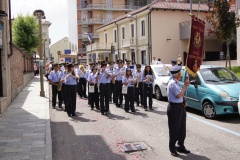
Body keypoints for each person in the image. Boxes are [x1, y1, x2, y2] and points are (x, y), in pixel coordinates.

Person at [167, 65, 190, 157]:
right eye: (180, 73)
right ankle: (172, 148)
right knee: (174, 129)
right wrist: (185, 86)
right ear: (177, 74)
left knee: (182, 128)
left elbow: (181, 96)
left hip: (180, 107)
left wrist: (184, 101)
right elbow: (178, 95)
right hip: (174, 108)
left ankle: (180, 145)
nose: (181, 75)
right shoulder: (172, 83)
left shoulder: (177, 82)